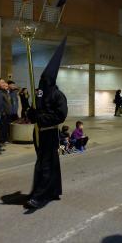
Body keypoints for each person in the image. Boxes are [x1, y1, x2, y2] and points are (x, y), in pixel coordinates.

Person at [25, 38, 68, 209]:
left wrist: (40, 118)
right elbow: (32, 110)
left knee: (46, 164)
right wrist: (31, 114)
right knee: (46, 162)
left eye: (45, 78)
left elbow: (60, 115)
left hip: (49, 132)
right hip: (38, 133)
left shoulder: (58, 95)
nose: (43, 81)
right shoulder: (39, 94)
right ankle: (53, 190)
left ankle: (40, 196)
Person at [0, 78, 12, 145]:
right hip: (2, 112)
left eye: (4, 82)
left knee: (5, 127)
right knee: (1, 128)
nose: (4, 84)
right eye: (2, 82)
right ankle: (0, 141)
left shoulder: (4, 92)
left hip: (7, 112)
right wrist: (2, 111)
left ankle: (4, 140)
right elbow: (0, 103)